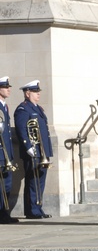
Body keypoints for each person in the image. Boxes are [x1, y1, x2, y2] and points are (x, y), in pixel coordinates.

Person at [14, 80, 53, 219]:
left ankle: (38, 207)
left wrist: (47, 151)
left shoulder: (38, 109)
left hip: (42, 151)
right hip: (33, 151)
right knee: (33, 180)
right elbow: (22, 130)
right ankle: (32, 210)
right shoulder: (23, 109)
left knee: (40, 181)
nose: (38, 94)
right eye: (35, 92)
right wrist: (28, 147)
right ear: (27, 93)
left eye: (39, 92)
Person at [0, 76, 18, 224]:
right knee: (2, 184)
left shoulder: (4, 106)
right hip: (0, 152)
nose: (9, 89)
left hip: (6, 153)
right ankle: (2, 214)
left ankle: (4, 213)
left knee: (6, 184)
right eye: (6, 87)